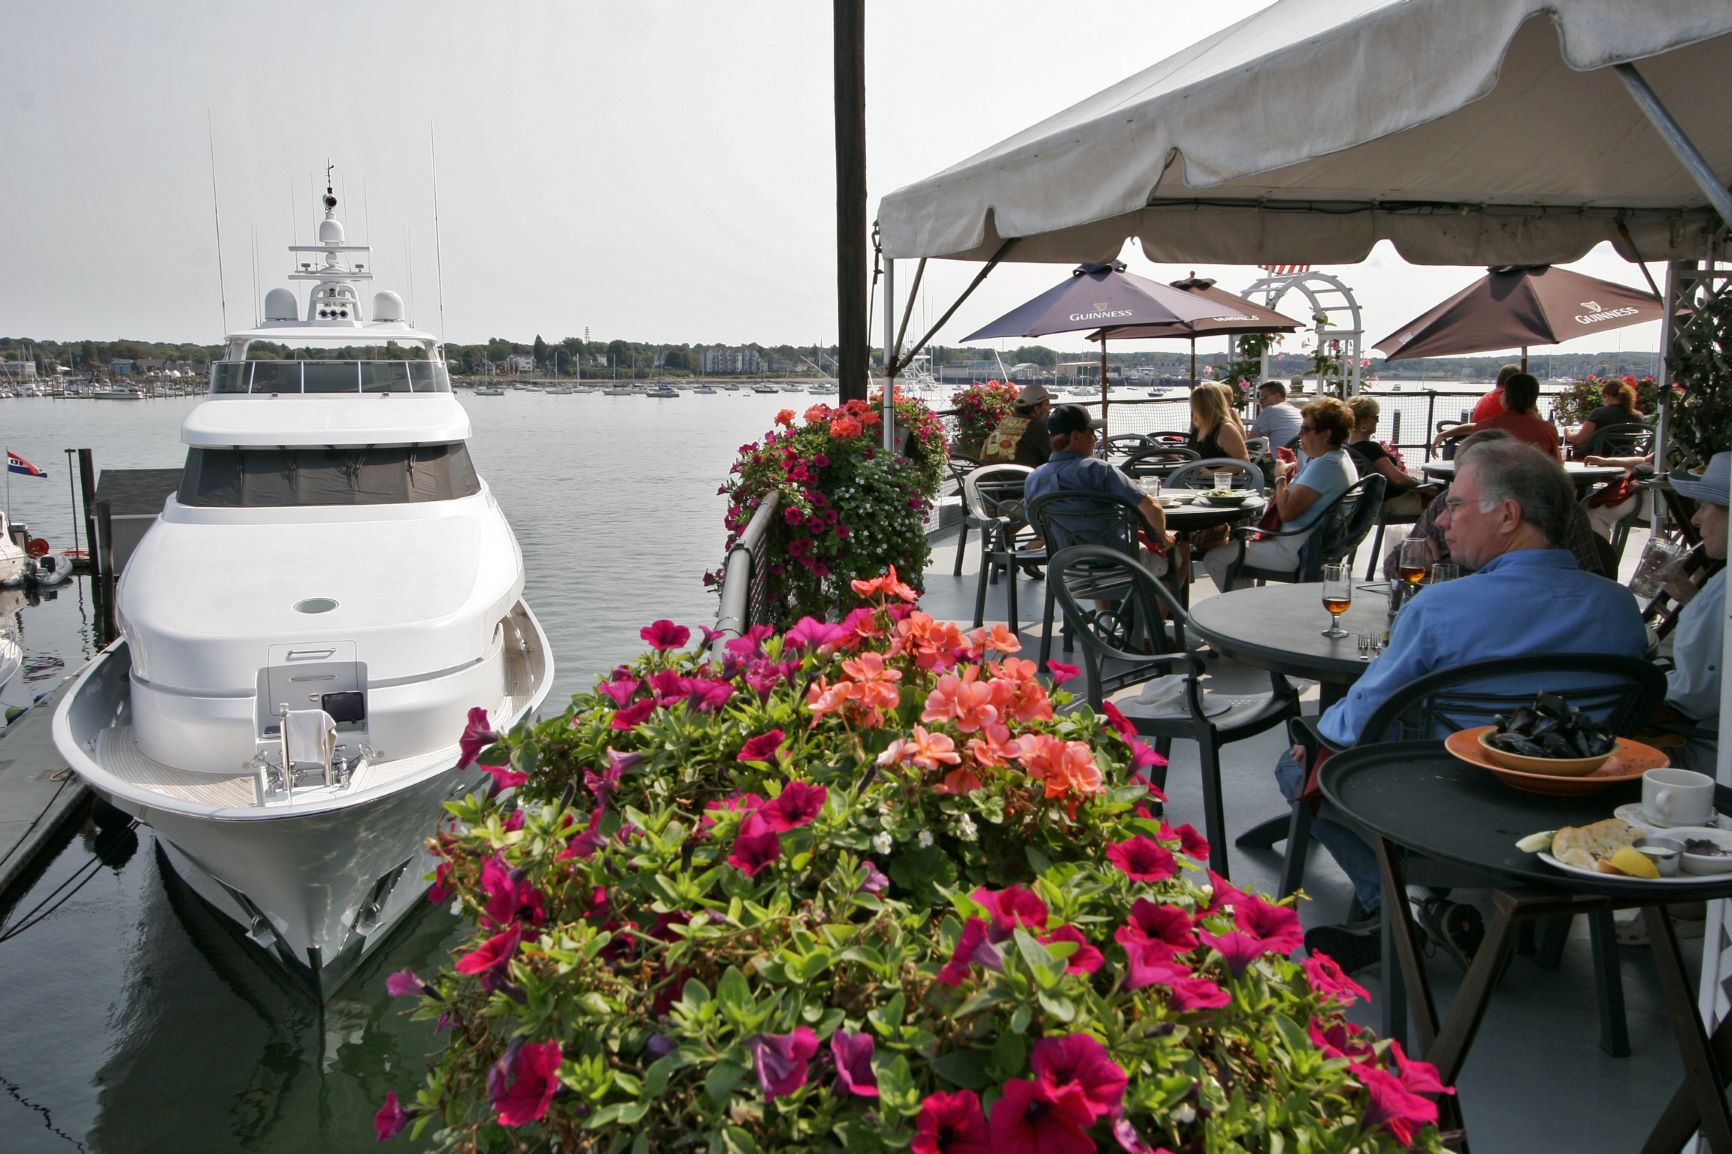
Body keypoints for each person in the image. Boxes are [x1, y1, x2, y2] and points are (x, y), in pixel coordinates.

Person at [1299, 439, 1649, 971]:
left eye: (1456, 505)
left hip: (1450, 801)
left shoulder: (1440, 607)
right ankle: (1426, 910)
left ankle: (1405, 909)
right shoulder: (1619, 607)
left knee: (1301, 764)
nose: (1441, 520)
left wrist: (1316, 734)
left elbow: (1356, 724)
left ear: (1508, 515)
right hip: (1578, 806)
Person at [1384, 431, 1609, 577]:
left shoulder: (1561, 509)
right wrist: (1415, 556)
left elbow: (1591, 577)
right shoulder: (1444, 503)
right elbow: (1393, 564)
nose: (1441, 521)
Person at [1202, 397, 1358, 591]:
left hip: (1295, 550)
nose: (1299, 434)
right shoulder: (1341, 460)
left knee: (1216, 558)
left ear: (1326, 435)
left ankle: (1244, 606)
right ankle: (1246, 602)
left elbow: (1286, 513)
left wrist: (1280, 477)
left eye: (1305, 429)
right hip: (1317, 546)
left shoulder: (1325, 466)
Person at [1024, 404, 1180, 578]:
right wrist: (1162, 536)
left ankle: (1108, 599)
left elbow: (1037, 527)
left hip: (1067, 564)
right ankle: (1155, 596)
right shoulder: (1099, 470)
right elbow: (1151, 507)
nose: (1095, 438)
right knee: (1179, 550)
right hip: (1120, 562)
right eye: (1092, 433)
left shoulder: (1034, 478)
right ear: (1076, 436)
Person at [1652, 452, 1728, 773]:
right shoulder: (1721, 588)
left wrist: (1646, 680)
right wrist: (1689, 597)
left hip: (1713, 755)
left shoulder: (1726, 587)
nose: (1696, 520)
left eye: (1704, 507)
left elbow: (1694, 694)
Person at [1344, 396, 1437, 519]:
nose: (1377, 421)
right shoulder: (1370, 448)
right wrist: (1422, 487)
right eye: (1375, 417)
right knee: (1445, 501)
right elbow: (1398, 479)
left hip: (1365, 505)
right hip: (1389, 503)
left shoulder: (1347, 449)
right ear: (1363, 421)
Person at [1433, 372, 1561, 460]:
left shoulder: (1490, 425)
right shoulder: (1547, 430)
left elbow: (1473, 429)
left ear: (1506, 396)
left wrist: (1444, 434)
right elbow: (1557, 466)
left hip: (1495, 488)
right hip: (1534, 489)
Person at [982, 382, 1054, 467]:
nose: (1050, 408)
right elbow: (1052, 459)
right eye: (1046, 404)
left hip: (987, 473)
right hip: (1020, 475)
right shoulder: (1036, 427)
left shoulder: (1006, 422)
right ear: (1037, 409)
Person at [1566, 377, 1643, 456]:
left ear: (1607, 396)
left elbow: (1579, 439)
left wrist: (1568, 433)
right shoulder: (1638, 416)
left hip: (1596, 459)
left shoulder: (1599, 414)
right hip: (1626, 459)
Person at [1187, 382, 1250, 462]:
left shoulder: (1225, 429)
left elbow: (1244, 461)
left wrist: (1208, 470)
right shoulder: (1200, 426)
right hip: (1192, 469)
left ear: (1204, 407)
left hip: (1213, 471)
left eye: (1194, 406)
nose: (1193, 410)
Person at [1249, 380, 1304, 457]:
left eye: (1263, 397)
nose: (1260, 401)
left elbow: (1249, 442)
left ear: (1277, 396)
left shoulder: (1271, 410)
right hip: (1304, 460)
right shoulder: (1298, 411)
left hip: (1286, 462)